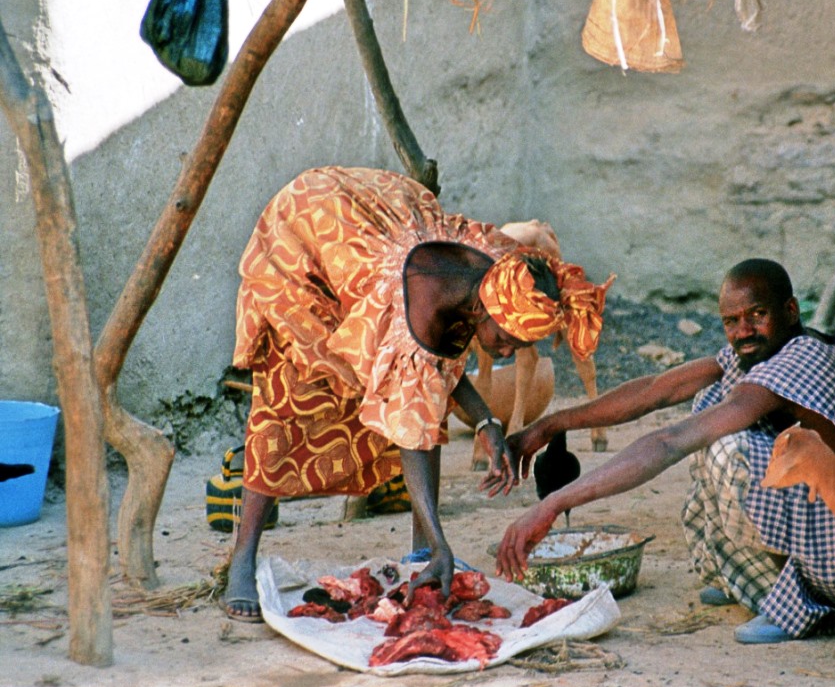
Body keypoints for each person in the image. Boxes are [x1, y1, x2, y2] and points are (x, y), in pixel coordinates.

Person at [222, 166, 613, 622]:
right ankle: (243, 560)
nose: (506, 351)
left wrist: (487, 423)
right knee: (287, 402)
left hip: (372, 221)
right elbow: (416, 426)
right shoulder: (419, 304)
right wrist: (445, 544)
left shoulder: (499, 269)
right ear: (482, 308)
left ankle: (420, 552)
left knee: (418, 401)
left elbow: (438, 370)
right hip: (303, 240)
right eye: (505, 340)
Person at [495, 258, 835, 644]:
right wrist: (550, 424)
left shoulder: (796, 361)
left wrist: (552, 504)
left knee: (728, 448)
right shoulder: (760, 351)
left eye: (757, 316)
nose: (743, 330)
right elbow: (655, 390)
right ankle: (745, 580)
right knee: (715, 408)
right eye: (732, 321)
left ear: (791, 310)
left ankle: (793, 607)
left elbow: (670, 441)